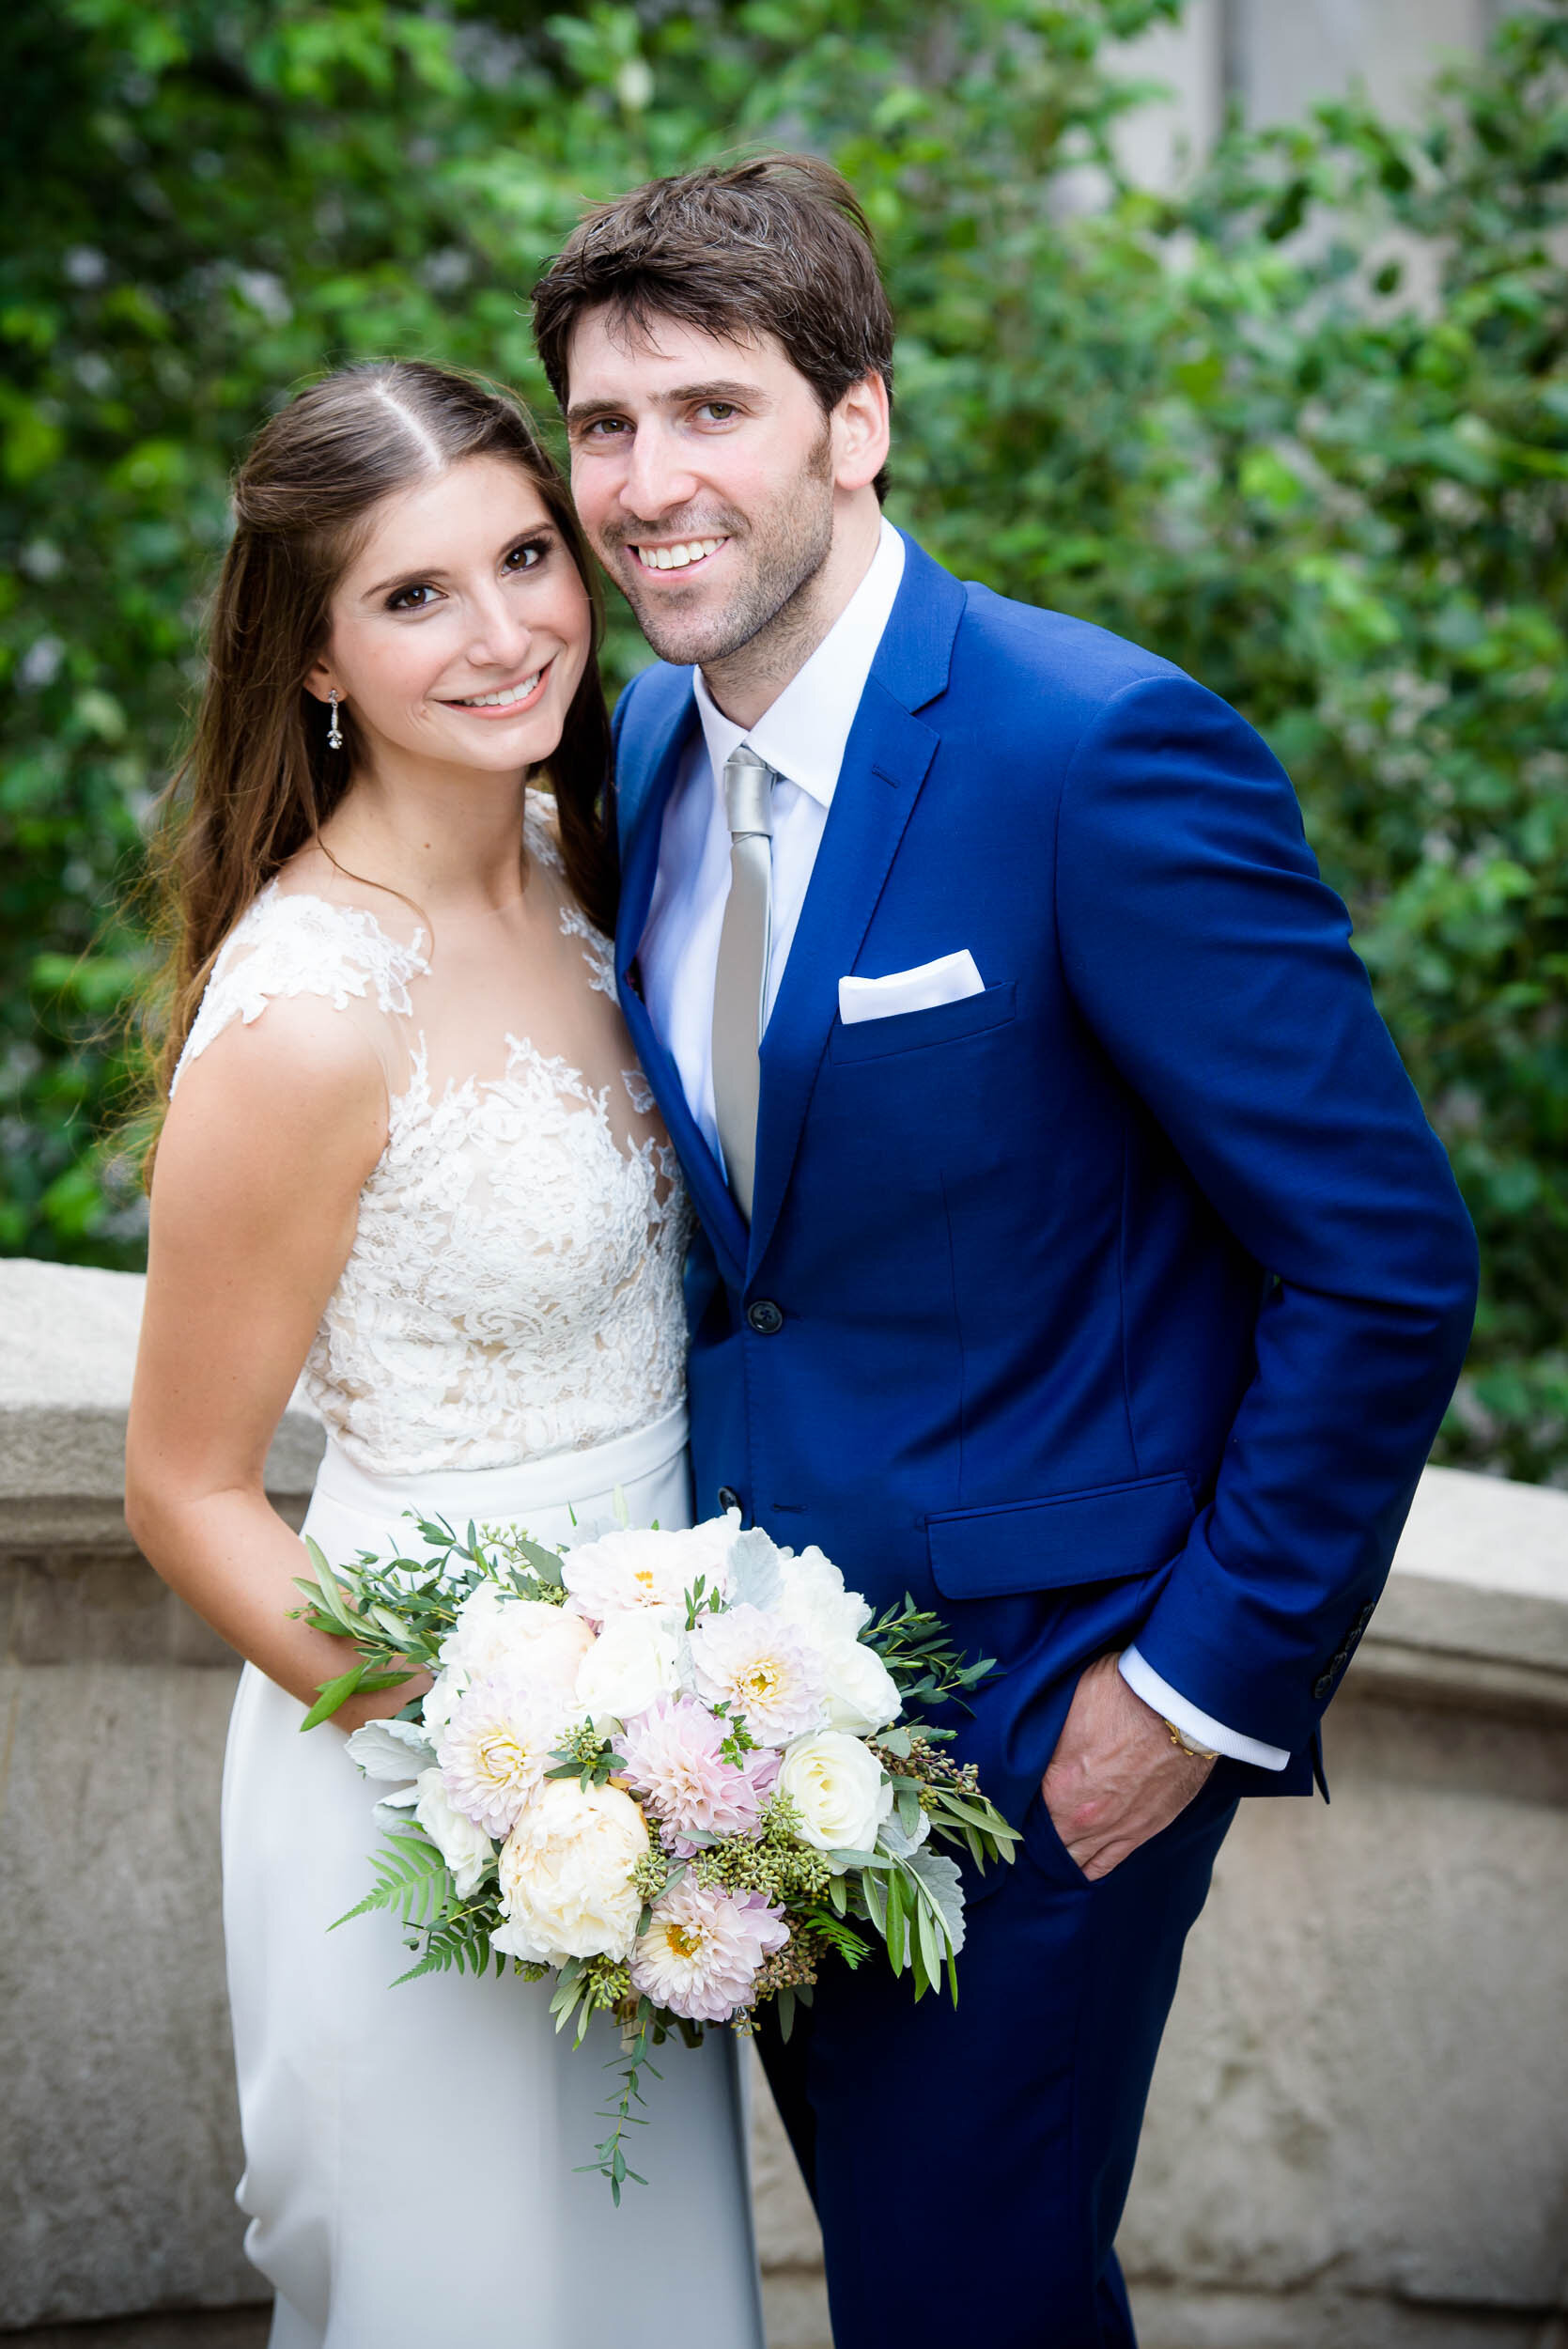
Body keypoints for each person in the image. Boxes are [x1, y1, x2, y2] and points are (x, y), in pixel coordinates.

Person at [530, 156, 1480, 2347]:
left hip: (1044, 1739)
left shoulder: (1095, 751)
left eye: (711, 410)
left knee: (965, 2306)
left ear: (856, 419)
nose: (647, 483)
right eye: (602, 425)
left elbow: (1380, 1262)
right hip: (721, 1766)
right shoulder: (637, 749)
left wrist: (1185, 1699)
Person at [123, 361, 766, 2349]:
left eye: (522, 555)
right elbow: (186, 1485)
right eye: (414, 597)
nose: (506, 630)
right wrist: (498, 1769)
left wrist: (667, 1781)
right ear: (312, 653)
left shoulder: (603, 881)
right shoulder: (310, 1005)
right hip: (436, 1783)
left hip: (671, 1772)